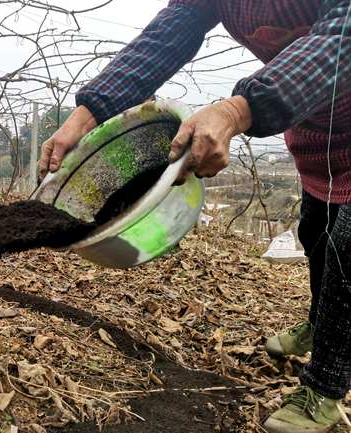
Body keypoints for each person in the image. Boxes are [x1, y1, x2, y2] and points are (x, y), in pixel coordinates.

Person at [38, 2, 351, 432]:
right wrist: (88, 114)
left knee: (348, 251)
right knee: (318, 231)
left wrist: (237, 110)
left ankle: (326, 389)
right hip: (318, 132)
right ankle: (319, 324)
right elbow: (168, 35)